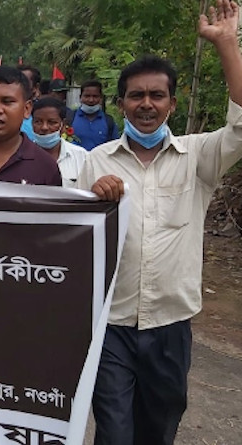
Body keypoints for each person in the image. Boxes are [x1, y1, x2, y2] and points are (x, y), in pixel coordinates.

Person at [75, 2, 242, 443]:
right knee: (113, 431)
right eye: (136, 95)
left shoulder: (199, 157)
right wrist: (94, 197)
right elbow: (75, 232)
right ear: (122, 102)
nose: (146, 104)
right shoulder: (95, 162)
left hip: (170, 325)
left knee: (158, 429)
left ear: (171, 102)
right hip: (111, 324)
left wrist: (227, 43)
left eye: (156, 95)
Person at [31, 97, 86, 188]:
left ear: (63, 124)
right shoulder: (21, 157)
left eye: (52, 122)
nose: (44, 127)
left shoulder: (81, 157)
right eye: (38, 122)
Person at [69, 79, 119, 151]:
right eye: (87, 96)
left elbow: (114, 146)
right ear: (80, 97)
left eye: (95, 96)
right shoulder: (70, 118)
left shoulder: (109, 121)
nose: (91, 100)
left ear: (101, 98)